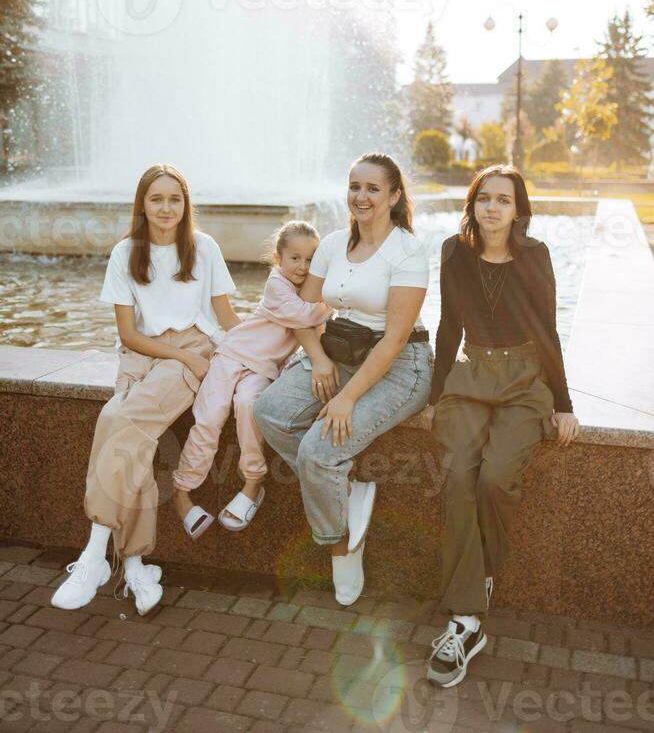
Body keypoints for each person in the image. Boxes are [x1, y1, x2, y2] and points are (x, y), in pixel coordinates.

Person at [51, 163, 240, 616]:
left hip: (192, 349)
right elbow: (129, 334)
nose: (166, 208)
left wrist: (267, 351)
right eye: (156, 199)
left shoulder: (204, 247)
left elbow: (225, 315)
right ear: (142, 204)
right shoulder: (125, 253)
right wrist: (173, 357)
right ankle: (134, 565)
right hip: (142, 355)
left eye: (175, 199)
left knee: (118, 420)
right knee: (126, 434)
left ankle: (96, 555)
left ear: (185, 204)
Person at [254, 152, 433, 606]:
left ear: (394, 196)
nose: (361, 196)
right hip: (338, 352)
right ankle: (344, 490)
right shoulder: (332, 244)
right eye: (355, 186)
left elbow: (392, 341)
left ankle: (343, 545)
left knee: (318, 451)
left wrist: (346, 398)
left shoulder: (408, 251)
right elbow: (302, 309)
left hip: (399, 368)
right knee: (270, 412)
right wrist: (316, 358)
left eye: (373, 188)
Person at [427, 164, 580, 688]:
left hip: (523, 379)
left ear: (519, 210)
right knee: (460, 479)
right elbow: (448, 324)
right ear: (472, 205)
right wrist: (434, 393)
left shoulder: (534, 256)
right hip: (471, 376)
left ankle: (479, 579)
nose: (492, 208)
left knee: (495, 477)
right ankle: (467, 620)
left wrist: (562, 403)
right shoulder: (454, 251)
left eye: (504, 200)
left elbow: (548, 329)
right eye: (484, 198)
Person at [172, 221, 331, 538]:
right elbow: (303, 317)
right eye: (295, 258)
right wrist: (330, 304)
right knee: (210, 415)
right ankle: (182, 492)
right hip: (232, 354)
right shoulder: (278, 285)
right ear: (279, 259)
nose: (302, 266)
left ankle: (253, 483)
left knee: (248, 406)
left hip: (263, 369)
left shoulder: (312, 293)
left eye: (311, 259)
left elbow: (320, 335)